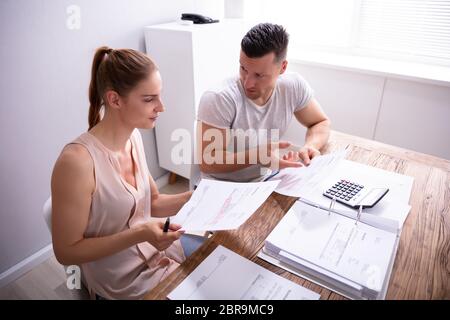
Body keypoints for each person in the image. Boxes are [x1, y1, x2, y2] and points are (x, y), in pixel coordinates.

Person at [51, 47, 202, 300]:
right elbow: (66, 252)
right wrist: (141, 233)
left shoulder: (133, 137)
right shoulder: (76, 163)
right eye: (149, 99)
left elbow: (152, 202)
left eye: (159, 96)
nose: (161, 107)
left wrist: (195, 197)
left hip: (161, 255)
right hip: (121, 282)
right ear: (115, 100)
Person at [197, 23, 331, 182]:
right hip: (219, 187)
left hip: (264, 181)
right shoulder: (219, 98)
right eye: (243, 68)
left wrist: (312, 145)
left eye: (259, 75)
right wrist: (258, 155)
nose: (247, 83)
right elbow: (207, 162)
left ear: (283, 67)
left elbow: (320, 122)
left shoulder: (293, 86)